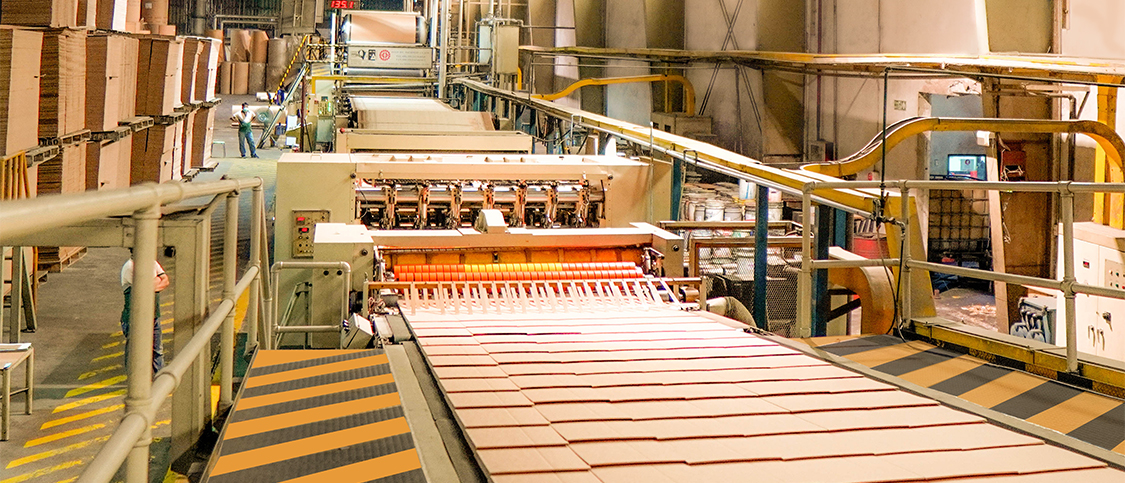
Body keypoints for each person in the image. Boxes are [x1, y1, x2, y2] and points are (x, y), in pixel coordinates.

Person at [121, 255, 170, 374]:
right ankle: (134, 379)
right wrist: (157, 279)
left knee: (157, 352)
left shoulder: (153, 263)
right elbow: (144, 289)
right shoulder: (130, 267)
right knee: (136, 353)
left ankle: (160, 379)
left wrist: (152, 284)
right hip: (134, 319)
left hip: (154, 316)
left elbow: (165, 281)